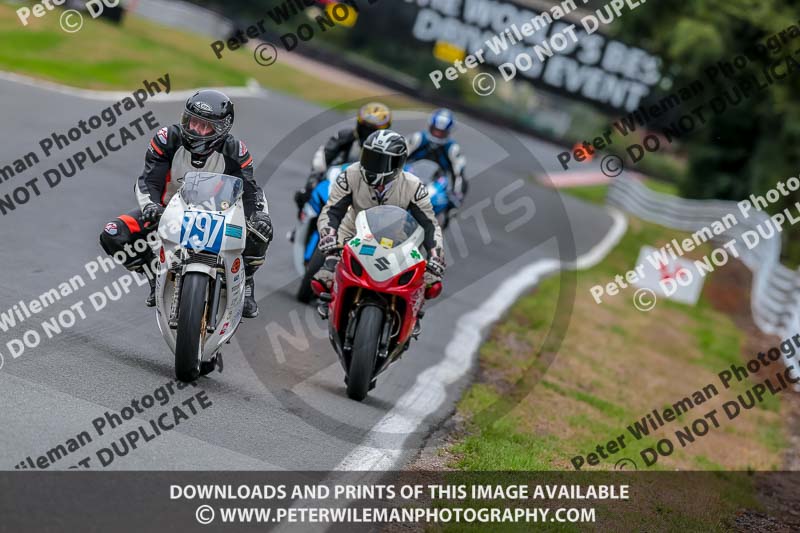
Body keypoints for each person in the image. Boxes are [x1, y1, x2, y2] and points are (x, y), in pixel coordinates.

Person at [99, 89, 273, 318]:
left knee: (262, 231)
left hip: (219, 218)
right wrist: (151, 206)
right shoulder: (167, 139)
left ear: (221, 129)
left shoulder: (235, 151)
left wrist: (259, 217)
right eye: (193, 122)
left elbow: (251, 192)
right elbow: (147, 181)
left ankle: (247, 281)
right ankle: (154, 276)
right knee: (112, 234)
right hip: (167, 215)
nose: (196, 130)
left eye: (205, 126)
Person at [314, 130, 446, 328]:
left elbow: (429, 224)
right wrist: (328, 235)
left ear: (397, 164)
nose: (371, 164)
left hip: (398, 241)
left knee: (429, 281)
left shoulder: (414, 186)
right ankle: (331, 300)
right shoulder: (350, 174)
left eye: (380, 160)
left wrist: (436, 255)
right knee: (324, 275)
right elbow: (331, 211)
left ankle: (413, 314)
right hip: (353, 233)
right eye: (369, 156)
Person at [294, 102, 392, 214]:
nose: (368, 134)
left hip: (364, 196)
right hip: (333, 184)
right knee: (305, 197)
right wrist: (313, 182)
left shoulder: (389, 151)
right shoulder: (345, 137)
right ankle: (302, 228)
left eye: (374, 130)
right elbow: (323, 157)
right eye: (365, 128)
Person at [406, 108, 468, 207]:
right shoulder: (418, 138)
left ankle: (442, 219)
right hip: (411, 175)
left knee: (448, 205)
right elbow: (398, 157)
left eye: (441, 132)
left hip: (436, 184)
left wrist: (456, 195)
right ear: (431, 126)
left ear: (448, 131)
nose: (438, 134)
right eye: (436, 130)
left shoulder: (453, 148)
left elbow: (458, 174)